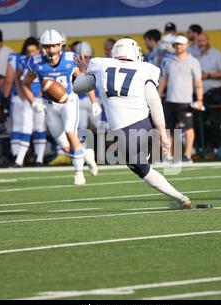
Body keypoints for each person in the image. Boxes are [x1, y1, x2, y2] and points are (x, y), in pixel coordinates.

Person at [73, 38, 193, 209]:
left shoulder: (101, 66)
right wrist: (163, 134)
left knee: (143, 169)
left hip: (124, 136)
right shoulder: (145, 69)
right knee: (143, 163)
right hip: (146, 126)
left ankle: (180, 197)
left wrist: (83, 71)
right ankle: (182, 199)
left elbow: (78, 88)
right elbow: (155, 103)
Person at [22, 29, 98, 185]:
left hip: (69, 102)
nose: (51, 50)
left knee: (71, 133)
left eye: (54, 46)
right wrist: (34, 102)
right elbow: (25, 84)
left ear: (61, 46)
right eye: (47, 46)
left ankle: (78, 173)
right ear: (42, 47)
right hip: (50, 106)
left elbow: (84, 81)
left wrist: (94, 101)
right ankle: (86, 154)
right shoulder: (36, 62)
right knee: (66, 147)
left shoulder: (70, 59)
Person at [158, 35, 204, 162]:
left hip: (185, 101)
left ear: (187, 45)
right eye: (176, 44)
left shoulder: (193, 61)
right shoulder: (168, 61)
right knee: (168, 129)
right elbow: (164, 79)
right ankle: (169, 156)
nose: (178, 46)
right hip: (170, 100)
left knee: (188, 128)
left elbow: (198, 83)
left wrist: (200, 99)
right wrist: (158, 94)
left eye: (181, 44)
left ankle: (187, 155)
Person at [14, 37, 48, 167]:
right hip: (29, 101)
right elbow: (17, 78)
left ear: (38, 51)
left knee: (40, 128)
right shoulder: (24, 62)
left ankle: (39, 159)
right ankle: (19, 160)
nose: (31, 54)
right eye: (28, 51)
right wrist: (21, 94)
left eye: (33, 51)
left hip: (40, 100)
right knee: (26, 128)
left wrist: (45, 93)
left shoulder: (44, 62)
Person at [196, 33, 221, 158]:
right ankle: (202, 149)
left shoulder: (217, 54)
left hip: (215, 93)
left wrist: (208, 75)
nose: (201, 43)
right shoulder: (195, 56)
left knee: (213, 122)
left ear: (208, 40)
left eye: (203, 40)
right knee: (200, 123)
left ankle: (214, 149)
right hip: (200, 94)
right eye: (199, 41)